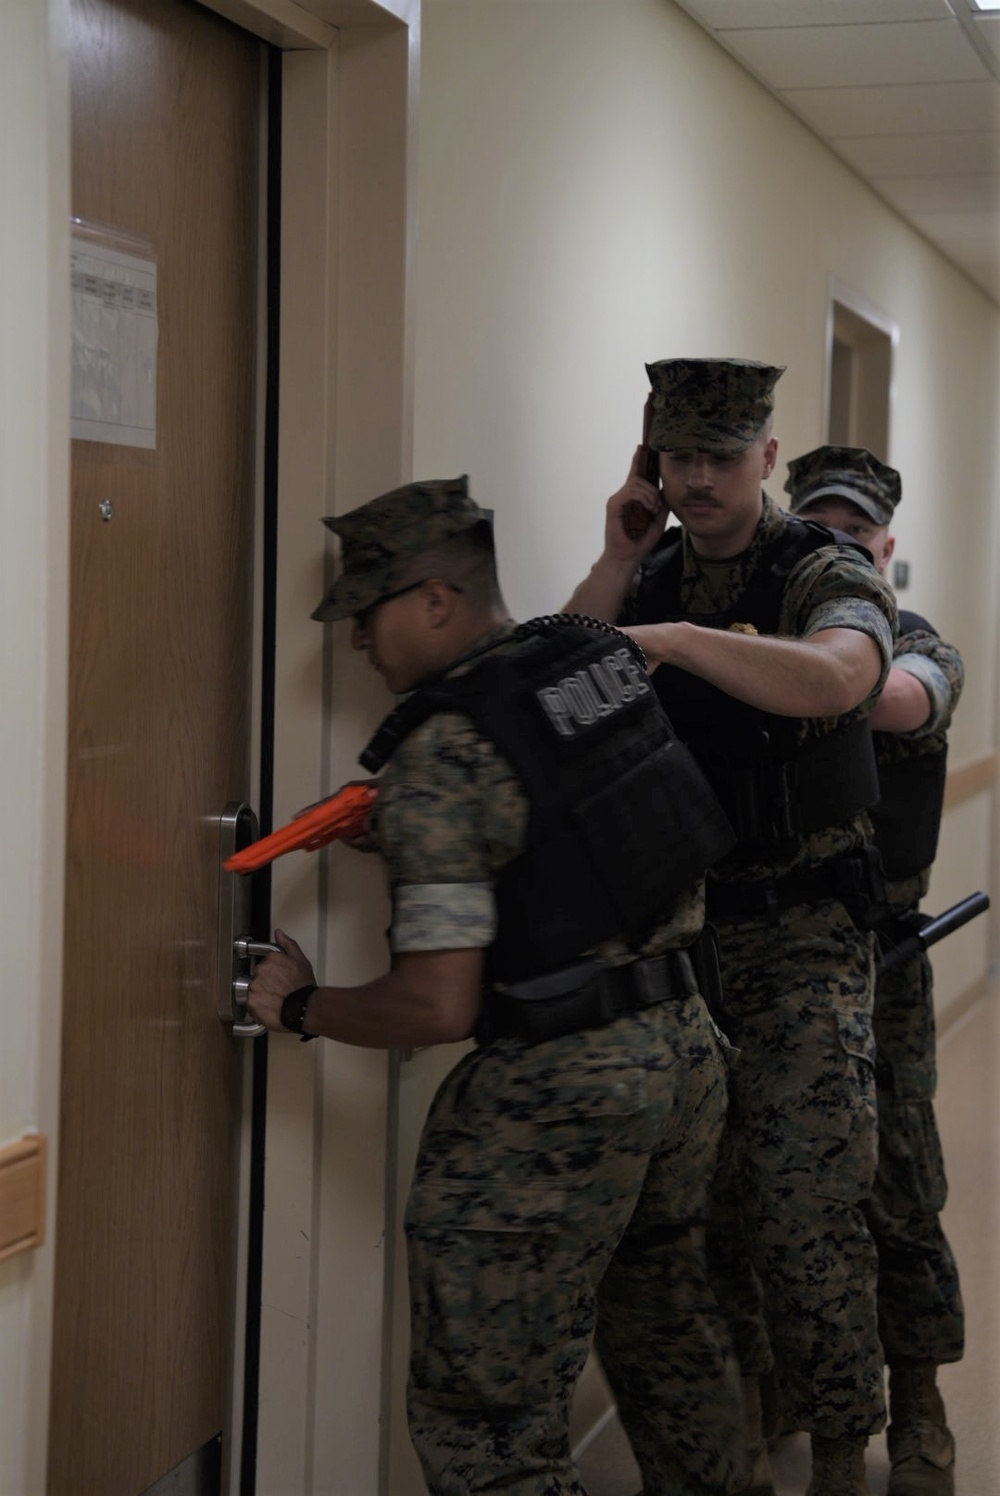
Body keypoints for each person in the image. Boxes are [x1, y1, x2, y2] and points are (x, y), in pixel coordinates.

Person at [246, 475, 748, 1496]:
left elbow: (434, 1006)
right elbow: (576, 825)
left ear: (436, 599)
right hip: (685, 1052)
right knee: (666, 1323)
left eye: (366, 616)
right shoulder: (592, 661)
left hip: (563, 1094)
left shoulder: (442, 752)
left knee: (488, 1419)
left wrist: (301, 1004)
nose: (356, 645)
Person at [565, 359, 898, 1496]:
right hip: (683, 943)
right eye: (674, 455)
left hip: (801, 943)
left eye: (720, 454)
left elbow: (841, 678)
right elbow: (549, 684)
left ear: (767, 456)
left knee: (808, 1212)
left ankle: (845, 1453)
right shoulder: (650, 563)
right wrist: (618, 558)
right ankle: (742, 1440)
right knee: (703, 1224)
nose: (695, 478)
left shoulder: (819, 565)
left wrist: (672, 642)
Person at [786, 446, 964, 1496]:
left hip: (881, 959)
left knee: (900, 1188)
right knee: (799, 1203)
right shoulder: (765, 634)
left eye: (855, 533)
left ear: (885, 548)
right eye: (818, 528)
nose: (837, 545)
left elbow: (897, 701)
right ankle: (826, 1430)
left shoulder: (917, 642)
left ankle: (921, 1406)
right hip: (774, 960)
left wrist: (809, 666)